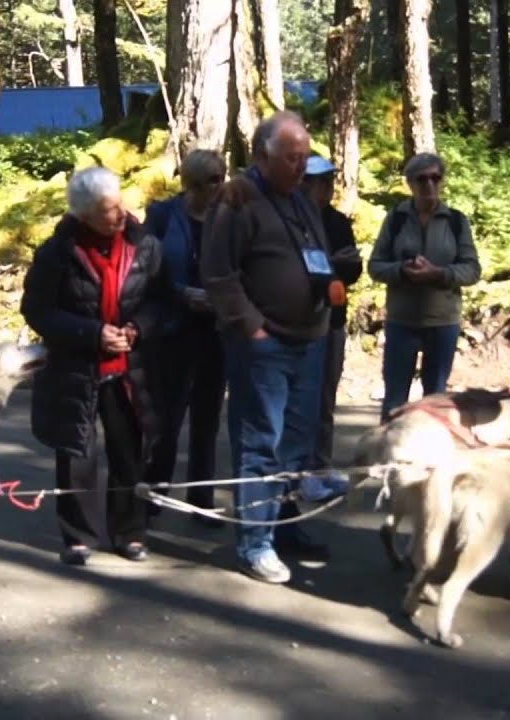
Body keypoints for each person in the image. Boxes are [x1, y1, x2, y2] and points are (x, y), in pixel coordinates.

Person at [201, 112, 348, 584]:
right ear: (264, 155)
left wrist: (325, 299)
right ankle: (254, 544)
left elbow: (314, 256)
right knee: (261, 443)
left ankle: (284, 528)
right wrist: (252, 327)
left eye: (305, 156)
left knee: (297, 444)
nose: (301, 165)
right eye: (292, 157)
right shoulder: (239, 198)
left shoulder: (301, 200)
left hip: (310, 340)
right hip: (265, 345)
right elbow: (219, 274)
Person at [20, 166, 171, 565]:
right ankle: (78, 536)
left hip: (131, 366)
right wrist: (91, 332)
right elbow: (37, 310)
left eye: (120, 203)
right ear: (84, 216)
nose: (120, 213)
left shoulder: (146, 246)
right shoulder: (57, 253)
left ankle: (129, 532)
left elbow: (163, 301)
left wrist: (138, 328)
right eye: (108, 210)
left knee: (130, 451)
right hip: (77, 368)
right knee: (76, 454)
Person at [142, 149, 228, 527]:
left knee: (207, 420)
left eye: (222, 177)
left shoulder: (228, 216)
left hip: (215, 330)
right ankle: (153, 496)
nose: (220, 185)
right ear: (192, 184)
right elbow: (143, 269)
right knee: (167, 419)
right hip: (171, 331)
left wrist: (221, 299)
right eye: (212, 180)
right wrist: (181, 294)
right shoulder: (162, 216)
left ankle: (201, 500)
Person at [367, 153, 481, 423]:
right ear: (410, 183)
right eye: (421, 179)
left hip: (443, 323)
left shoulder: (455, 221)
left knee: (436, 400)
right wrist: (402, 271)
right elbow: (375, 266)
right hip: (402, 322)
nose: (429, 185)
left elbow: (472, 270)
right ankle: (385, 456)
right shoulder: (396, 219)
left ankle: (430, 459)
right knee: (395, 399)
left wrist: (439, 274)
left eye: (435, 178)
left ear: (442, 181)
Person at [300, 155, 363, 474]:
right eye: (321, 181)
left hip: (333, 319)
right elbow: (299, 269)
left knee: (326, 396)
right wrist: (330, 263)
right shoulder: (293, 220)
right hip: (299, 321)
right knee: (300, 398)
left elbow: (353, 267)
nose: (327, 187)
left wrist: (332, 265)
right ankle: (296, 465)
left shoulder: (338, 222)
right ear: (304, 184)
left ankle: (320, 465)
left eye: (330, 181)